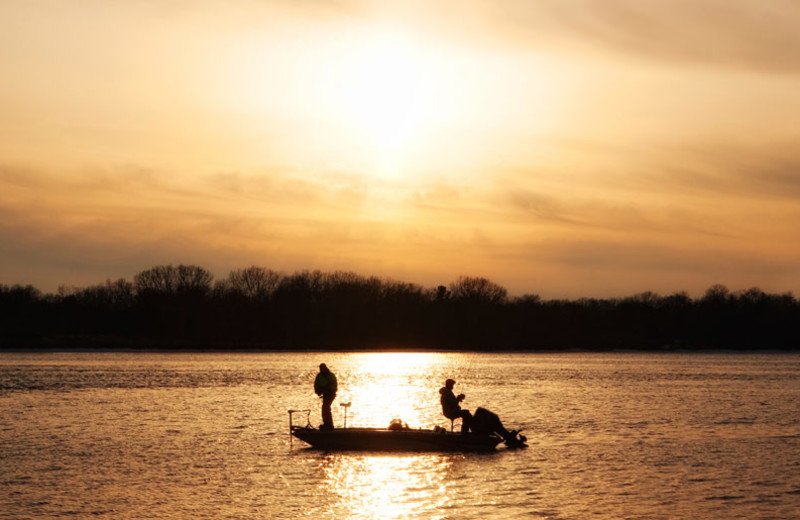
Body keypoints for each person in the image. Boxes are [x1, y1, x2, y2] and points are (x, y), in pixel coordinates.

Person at [314, 363, 337, 430]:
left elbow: (334, 386)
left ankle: (329, 424)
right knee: (325, 408)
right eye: (320, 368)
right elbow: (316, 384)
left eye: (322, 368)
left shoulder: (331, 376)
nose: (321, 370)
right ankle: (327, 424)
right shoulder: (319, 376)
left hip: (330, 394)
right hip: (324, 394)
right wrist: (318, 391)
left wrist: (327, 390)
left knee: (326, 408)